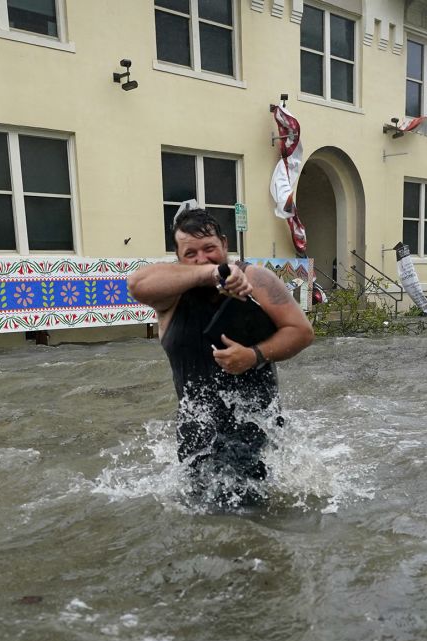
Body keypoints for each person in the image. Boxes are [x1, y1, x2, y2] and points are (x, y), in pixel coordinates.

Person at [127, 207, 314, 507]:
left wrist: (254, 355)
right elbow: (136, 284)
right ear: (178, 258)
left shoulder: (257, 280)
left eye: (210, 249)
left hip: (256, 428)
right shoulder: (169, 295)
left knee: (256, 520)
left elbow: (302, 331)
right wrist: (211, 273)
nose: (202, 257)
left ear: (225, 245)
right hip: (196, 435)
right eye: (191, 253)